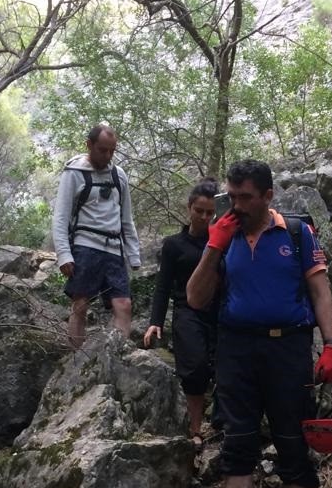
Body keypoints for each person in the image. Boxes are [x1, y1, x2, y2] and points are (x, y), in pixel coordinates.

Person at [186, 158, 332, 488]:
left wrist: (331, 345)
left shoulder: (297, 233)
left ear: (268, 196)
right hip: (237, 348)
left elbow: (320, 292)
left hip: (289, 347)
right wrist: (214, 247)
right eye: (231, 197)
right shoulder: (225, 236)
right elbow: (196, 299)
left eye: (245, 198)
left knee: (293, 444)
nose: (236, 206)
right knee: (237, 445)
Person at [143, 178, 218, 444]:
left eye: (210, 212)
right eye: (199, 211)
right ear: (189, 208)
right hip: (187, 312)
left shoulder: (222, 241)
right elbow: (163, 286)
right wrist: (155, 321)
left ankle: (224, 424)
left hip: (220, 311)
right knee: (195, 368)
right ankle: (195, 429)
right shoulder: (174, 245)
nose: (204, 217)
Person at [52, 123, 141, 346]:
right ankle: (77, 363)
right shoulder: (74, 172)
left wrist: (134, 254)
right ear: (89, 145)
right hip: (85, 246)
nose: (108, 155)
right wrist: (64, 254)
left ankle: (117, 358)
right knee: (80, 304)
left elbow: (126, 218)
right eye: (103, 150)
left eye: (112, 150)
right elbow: (61, 216)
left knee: (124, 305)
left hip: (113, 248)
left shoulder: (119, 176)